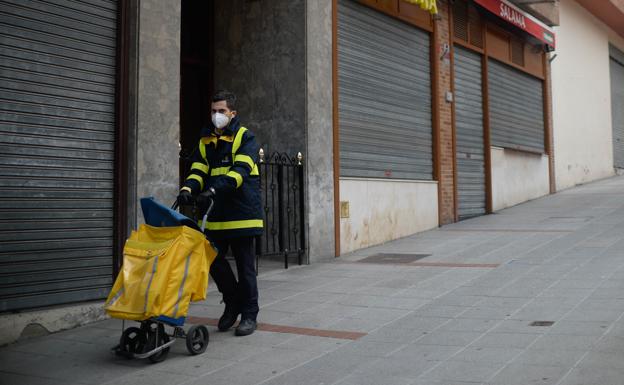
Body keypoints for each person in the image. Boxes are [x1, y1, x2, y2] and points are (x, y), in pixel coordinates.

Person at [177, 90, 263, 336]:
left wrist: (213, 190)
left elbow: (240, 172)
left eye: (221, 111)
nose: (217, 115)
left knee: (246, 268)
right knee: (212, 261)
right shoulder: (206, 140)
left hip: (242, 212)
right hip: (216, 214)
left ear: (232, 113)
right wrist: (187, 189)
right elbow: (198, 169)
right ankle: (233, 301)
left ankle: (249, 314)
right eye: (213, 111)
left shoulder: (245, 137)